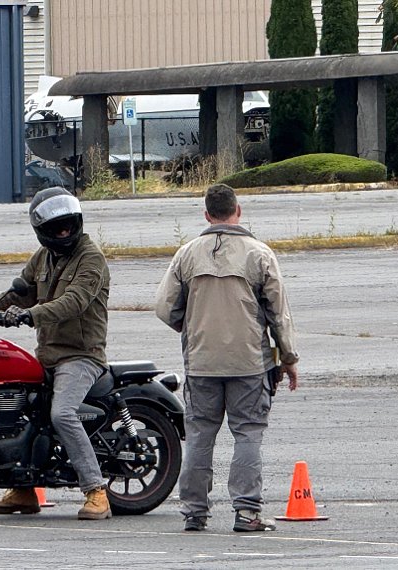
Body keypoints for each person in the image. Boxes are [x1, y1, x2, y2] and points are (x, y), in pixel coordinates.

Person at [156, 183, 299, 532]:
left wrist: (190, 326)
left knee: (201, 434)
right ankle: (247, 512)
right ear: (239, 210)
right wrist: (288, 358)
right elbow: (279, 314)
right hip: (249, 363)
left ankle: (194, 513)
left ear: (206, 214)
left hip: (202, 362)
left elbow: (164, 308)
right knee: (248, 433)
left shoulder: (187, 254)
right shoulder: (259, 254)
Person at [0, 186, 114, 519]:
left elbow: (74, 302)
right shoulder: (43, 258)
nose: (63, 231)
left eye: (67, 224)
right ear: (44, 231)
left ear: (75, 221)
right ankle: (23, 490)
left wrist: (31, 314)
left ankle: (96, 491)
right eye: (56, 226)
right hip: (47, 354)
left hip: (80, 356)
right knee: (15, 406)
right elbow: (16, 294)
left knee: (62, 414)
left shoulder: (91, 258)